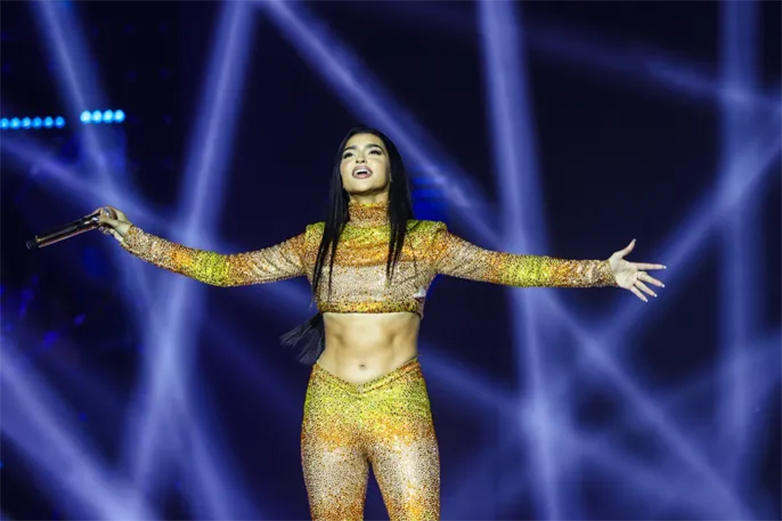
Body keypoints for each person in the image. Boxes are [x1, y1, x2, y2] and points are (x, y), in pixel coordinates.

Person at [95, 125, 666, 521]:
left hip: (398, 400)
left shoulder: (425, 241)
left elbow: (508, 268)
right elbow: (226, 270)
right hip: (329, 405)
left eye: (372, 151)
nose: (359, 158)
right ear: (340, 173)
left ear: (391, 167)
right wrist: (133, 238)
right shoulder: (315, 241)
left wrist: (601, 272)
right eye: (349, 154)